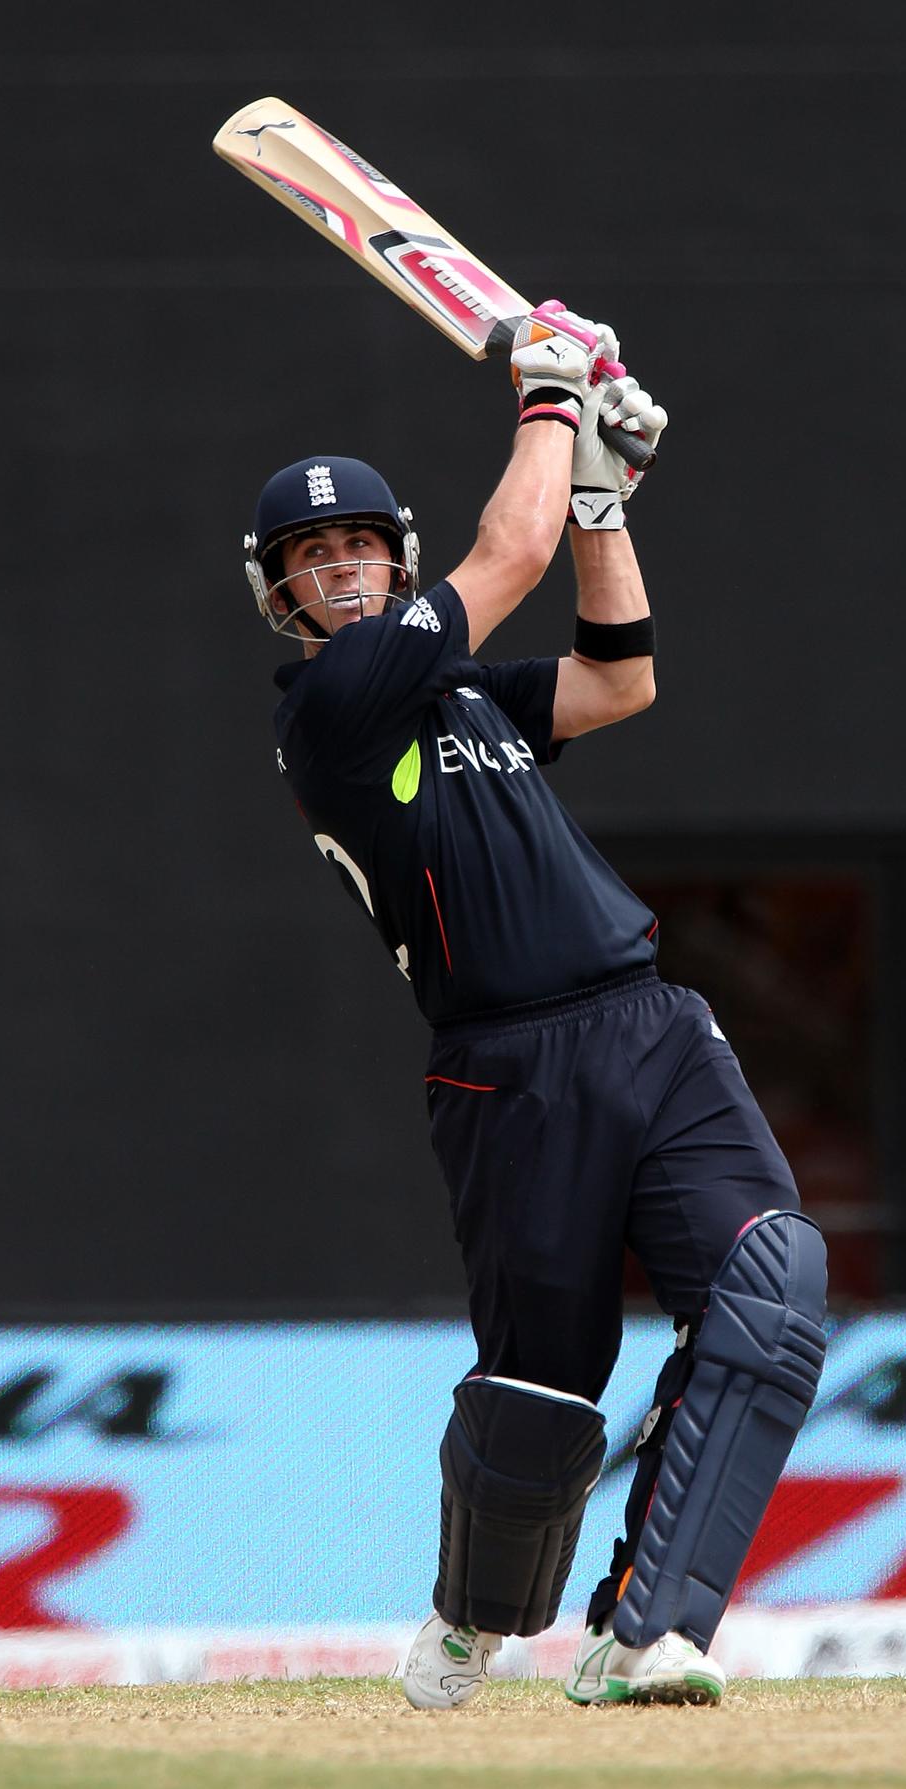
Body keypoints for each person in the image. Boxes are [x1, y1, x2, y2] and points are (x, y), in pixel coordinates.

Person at [245, 302, 827, 1710]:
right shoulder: (337, 708)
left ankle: (647, 1630)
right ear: (281, 593)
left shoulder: (456, 692)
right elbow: (505, 556)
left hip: (649, 1022)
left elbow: (619, 677)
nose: (344, 569)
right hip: (511, 1069)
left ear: (391, 557)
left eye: (363, 547)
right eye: (315, 557)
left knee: (774, 1286)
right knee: (544, 1391)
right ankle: (474, 1616)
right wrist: (551, 397)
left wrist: (603, 502)